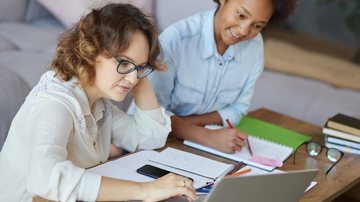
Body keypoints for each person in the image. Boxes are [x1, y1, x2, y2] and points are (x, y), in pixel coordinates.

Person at [0, 4, 197, 202]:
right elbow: (44, 178)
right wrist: (146, 190)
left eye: (140, 67)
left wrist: (139, 73)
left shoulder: (98, 103)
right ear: (91, 52)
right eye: (124, 63)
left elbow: (150, 138)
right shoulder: (55, 103)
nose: (133, 78)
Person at [149, 0, 297, 153]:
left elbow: (239, 108)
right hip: (152, 145)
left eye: (257, 26)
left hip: (195, 146)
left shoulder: (255, 47)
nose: (244, 31)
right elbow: (151, 114)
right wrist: (208, 136)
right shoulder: (175, 40)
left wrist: (190, 125)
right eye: (241, 15)